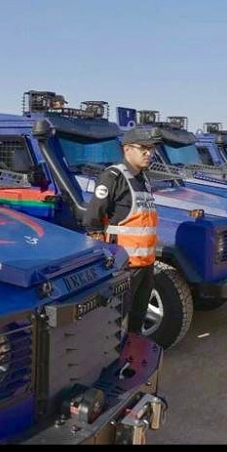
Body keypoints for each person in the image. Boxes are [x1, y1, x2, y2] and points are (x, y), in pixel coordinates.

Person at [83, 127, 160, 336]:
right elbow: (92, 219)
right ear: (127, 149)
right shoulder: (113, 177)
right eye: (143, 148)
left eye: (151, 149)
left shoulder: (144, 179)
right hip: (124, 265)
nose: (149, 153)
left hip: (146, 265)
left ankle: (133, 354)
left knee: (137, 317)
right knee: (117, 319)